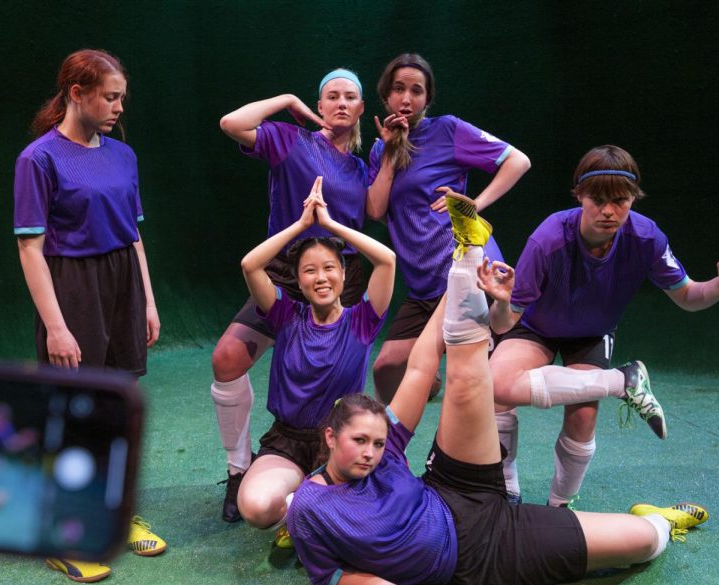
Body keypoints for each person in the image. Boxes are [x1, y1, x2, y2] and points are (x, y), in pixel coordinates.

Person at [287, 192, 709, 585]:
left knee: (468, 378)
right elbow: (336, 579)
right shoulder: (310, 509)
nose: (371, 453)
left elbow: (420, 368)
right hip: (487, 552)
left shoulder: (384, 452)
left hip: (451, 487)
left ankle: (468, 249)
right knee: (639, 539)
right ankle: (656, 521)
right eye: (360, 441)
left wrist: (457, 284)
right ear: (331, 436)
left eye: (377, 443)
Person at [489, 145, 719, 506]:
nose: (608, 211)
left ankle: (560, 507)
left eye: (620, 200)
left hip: (592, 334)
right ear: (579, 196)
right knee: (495, 386)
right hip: (535, 328)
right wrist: (499, 301)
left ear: (634, 198)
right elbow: (504, 323)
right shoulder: (548, 238)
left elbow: (688, 297)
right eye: (598, 199)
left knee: (584, 415)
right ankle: (508, 487)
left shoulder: (647, 238)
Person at [13, 49, 165, 583]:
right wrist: (56, 324)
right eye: (110, 96)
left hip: (123, 282)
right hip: (72, 287)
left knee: (117, 406)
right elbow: (30, 249)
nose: (119, 106)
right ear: (77, 93)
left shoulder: (123, 155)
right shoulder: (39, 159)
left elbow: (134, 233)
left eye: (121, 96)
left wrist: (147, 299)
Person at [213, 69, 369, 522]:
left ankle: (330, 468)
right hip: (283, 273)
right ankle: (240, 470)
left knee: (334, 386)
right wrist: (285, 97)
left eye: (350, 97)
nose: (341, 103)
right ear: (318, 106)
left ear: (361, 109)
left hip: (342, 278)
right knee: (226, 358)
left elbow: (380, 212)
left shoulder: (364, 168)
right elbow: (231, 124)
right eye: (331, 96)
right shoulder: (290, 140)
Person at [237, 176, 395, 547]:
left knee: (366, 532)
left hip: (341, 445)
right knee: (257, 508)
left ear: (342, 274)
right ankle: (307, 506)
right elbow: (250, 265)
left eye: (329, 268)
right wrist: (303, 225)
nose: (321, 277)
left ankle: (307, 508)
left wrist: (330, 225)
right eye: (310, 270)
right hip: (288, 442)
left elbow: (386, 260)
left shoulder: (362, 321)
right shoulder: (284, 316)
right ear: (299, 280)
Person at [366, 53, 531, 404]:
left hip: (466, 271)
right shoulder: (381, 149)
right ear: (385, 96)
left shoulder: (448, 130)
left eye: (417, 90)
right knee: (385, 368)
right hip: (424, 285)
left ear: (428, 98)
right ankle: (429, 383)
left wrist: (476, 203)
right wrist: (392, 153)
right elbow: (376, 209)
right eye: (399, 89)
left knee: (474, 386)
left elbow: (518, 161)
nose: (407, 98)